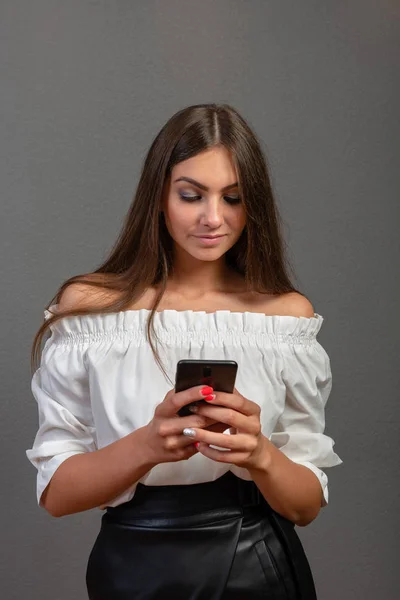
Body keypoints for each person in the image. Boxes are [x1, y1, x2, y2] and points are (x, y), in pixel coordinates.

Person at [26, 103, 343, 599]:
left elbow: (305, 507)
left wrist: (259, 454)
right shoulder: (91, 311)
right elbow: (56, 494)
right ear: (158, 196)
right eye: (191, 195)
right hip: (131, 568)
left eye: (233, 198)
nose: (213, 218)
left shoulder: (285, 318)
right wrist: (148, 446)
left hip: (257, 563)